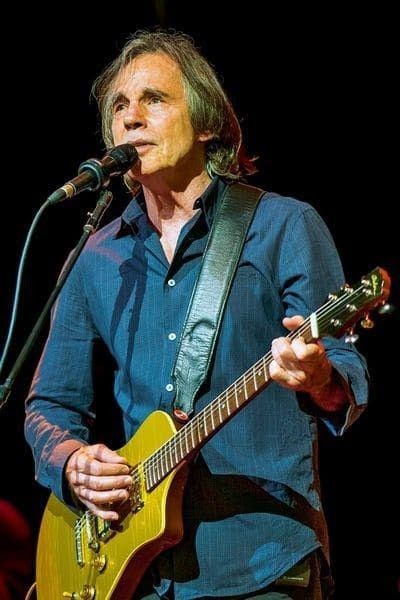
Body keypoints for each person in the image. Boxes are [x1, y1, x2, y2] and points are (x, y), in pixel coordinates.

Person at [25, 30, 369, 599]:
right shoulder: (95, 256)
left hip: (261, 561)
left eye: (154, 99)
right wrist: (70, 463)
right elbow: (50, 406)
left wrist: (320, 378)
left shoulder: (283, 226)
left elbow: (345, 375)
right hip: (138, 573)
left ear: (207, 123)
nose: (131, 118)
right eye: (118, 107)